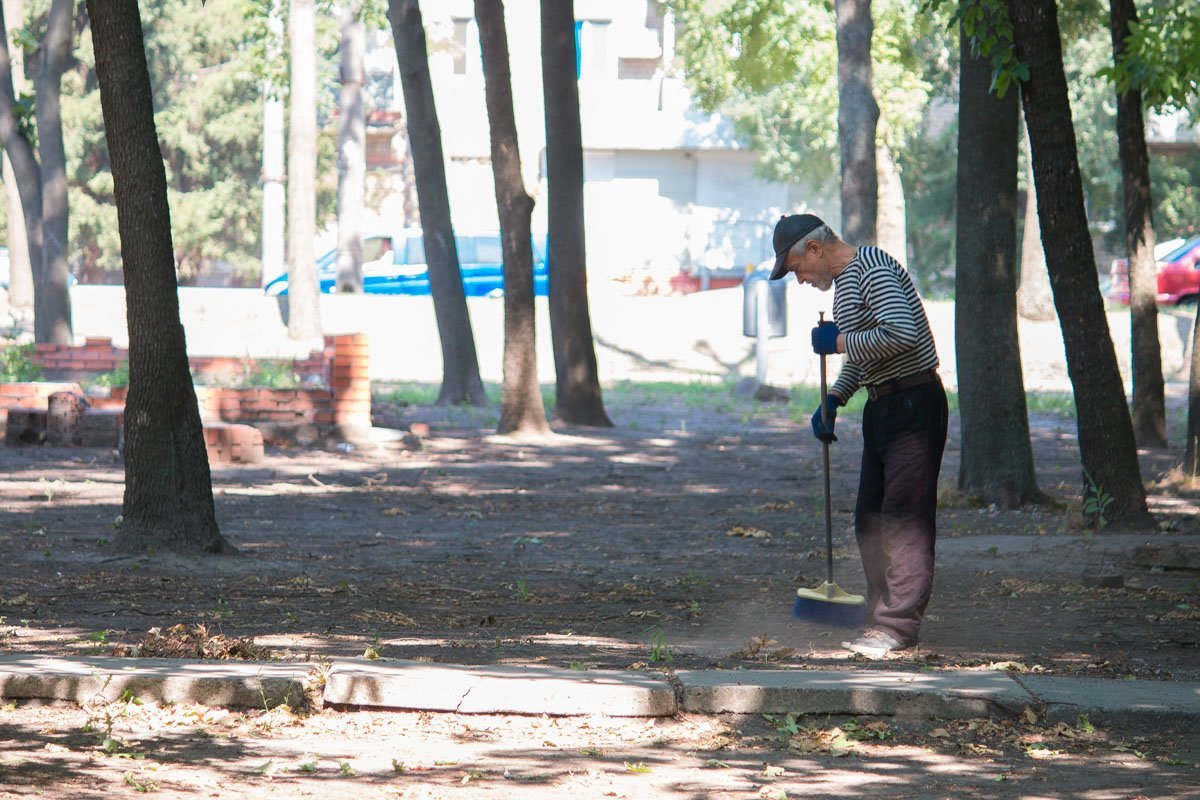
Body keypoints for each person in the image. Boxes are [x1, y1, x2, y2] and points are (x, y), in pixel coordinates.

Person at [769, 213, 948, 659]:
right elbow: (871, 347)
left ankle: (896, 628)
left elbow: (902, 334)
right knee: (869, 518)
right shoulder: (847, 283)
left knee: (903, 520)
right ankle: (879, 618)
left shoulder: (872, 268)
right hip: (883, 404)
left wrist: (840, 342)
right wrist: (836, 396)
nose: (800, 280)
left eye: (796, 269)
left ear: (814, 248)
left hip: (913, 402)